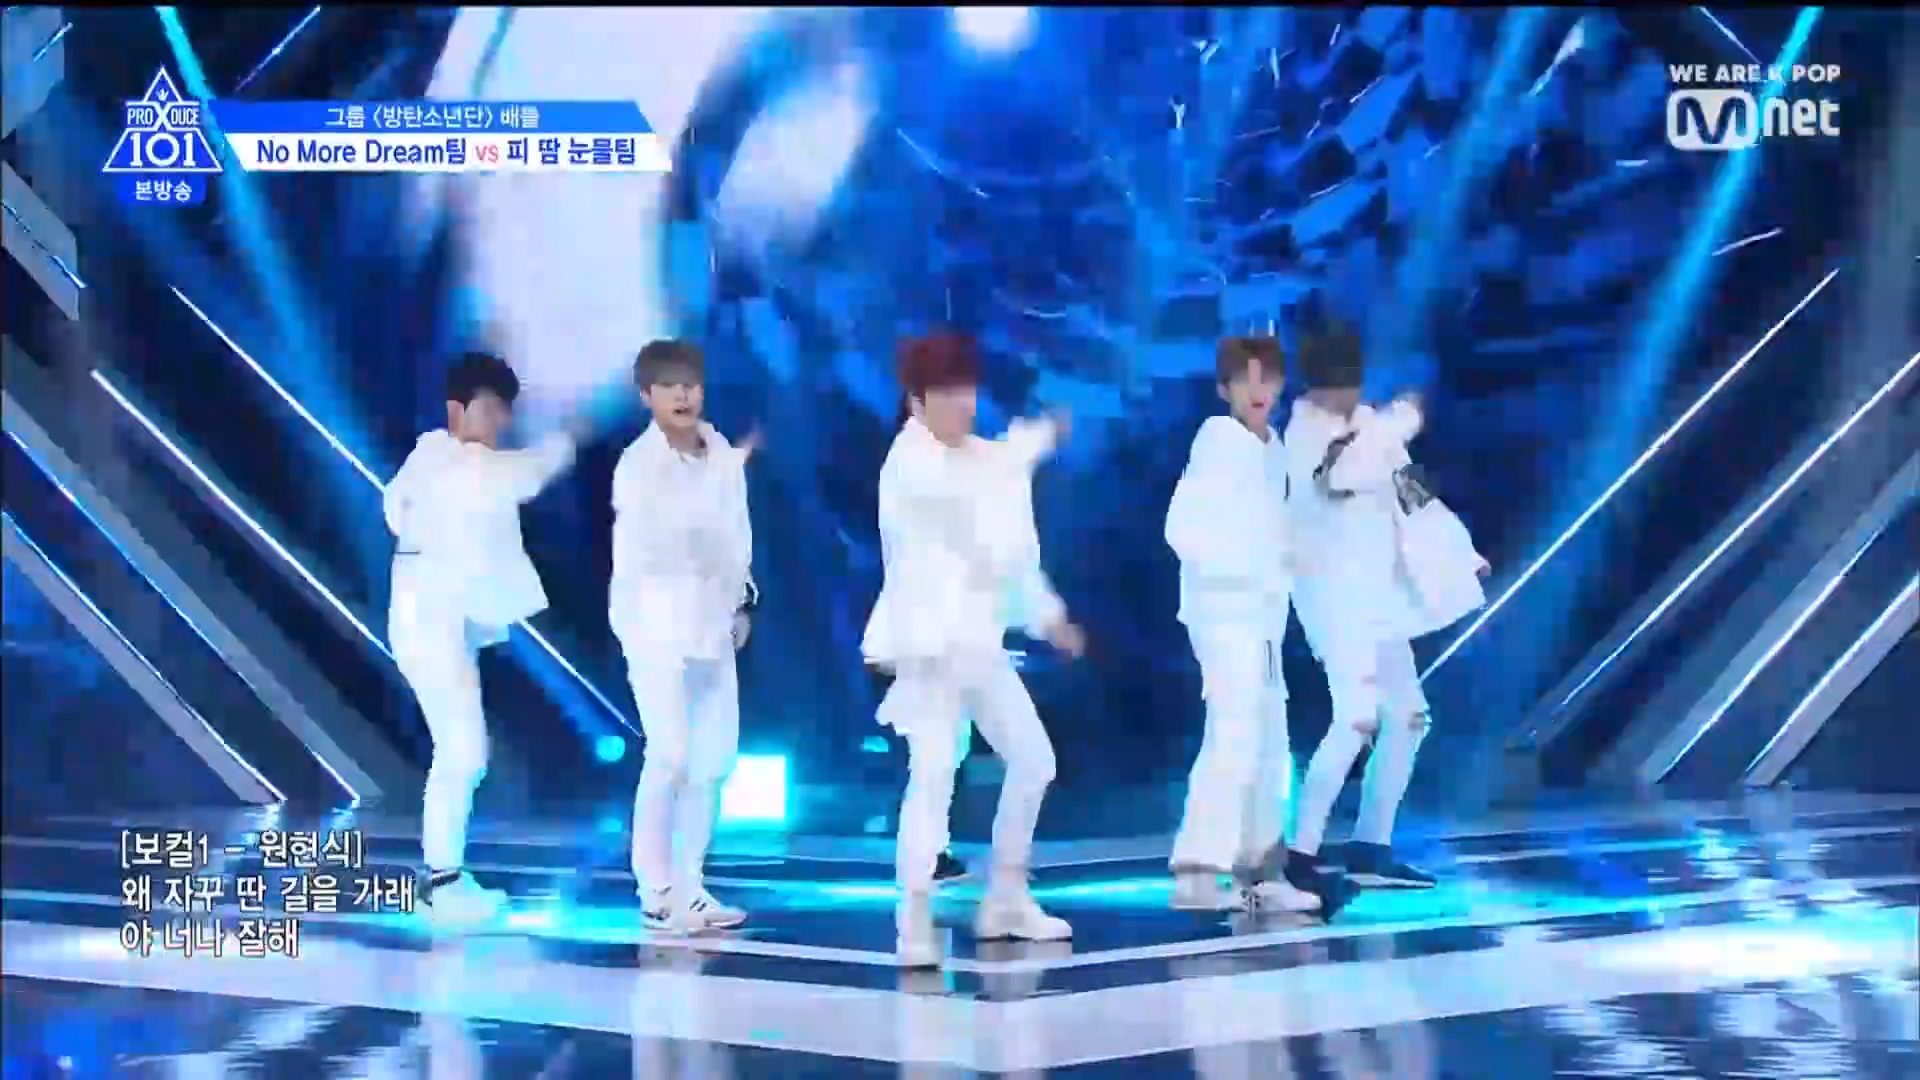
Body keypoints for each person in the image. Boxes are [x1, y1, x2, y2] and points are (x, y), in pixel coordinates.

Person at [863, 332, 1087, 969]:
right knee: (934, 772)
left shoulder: (974, 459)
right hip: (930, 649)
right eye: (948, 393)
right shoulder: (911, 465)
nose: (964, 404)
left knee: (1033, 760)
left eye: (968, 391)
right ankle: (912, 920)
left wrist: (1038, 440)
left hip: (977, 646)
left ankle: (1006, 900)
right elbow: (986, 516)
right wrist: (1032, 445)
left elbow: (999, 476)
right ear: (916, 402)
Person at [1278, 326, 1489, 903]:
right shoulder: (1305, 435)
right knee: (1356, 719)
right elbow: (1345, 473)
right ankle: (1298, 854)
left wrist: (1462, 553)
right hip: (1335, 601)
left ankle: (1371, 846)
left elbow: (1414, 493)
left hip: (1379, 600)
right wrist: (1399, 420)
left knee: (1409, 717)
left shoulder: (1369, 427)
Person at [384, 351, 582, 923]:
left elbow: (399, 511)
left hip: (443, 624)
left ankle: (443, 877)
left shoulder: (432, 461)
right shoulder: (456, 463)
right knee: (464, 752)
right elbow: (525, 474)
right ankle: (442, 883)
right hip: (431, 626)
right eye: (490, 410)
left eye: (503, 412)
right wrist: (570, 435)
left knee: (461, 752)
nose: (499, 423)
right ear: (457, 408)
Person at [1164, 336, 1320, 914]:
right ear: (1224, 389)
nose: (1258, 390)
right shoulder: (1217, 440)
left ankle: (1262, 870)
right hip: (1225, 612)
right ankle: (1198, 870)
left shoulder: (1274, 449)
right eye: (1245, 379)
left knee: (1271, 742)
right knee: (1233, 733)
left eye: (1267, 378)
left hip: (1264, 617)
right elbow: (1182, 528)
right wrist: (1245, 565)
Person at [610, 339, 760, 934]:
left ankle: (691, 886)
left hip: (711, 625)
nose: (682, 395)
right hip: (654, 626)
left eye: (690, 383)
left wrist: (743, 601)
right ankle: (655, 890)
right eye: (668, 385)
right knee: (670, 752)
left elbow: (738, 539)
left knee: (713, 759)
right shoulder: (638, 466)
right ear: (646, 396)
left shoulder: (720, 453)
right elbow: (670, 539)